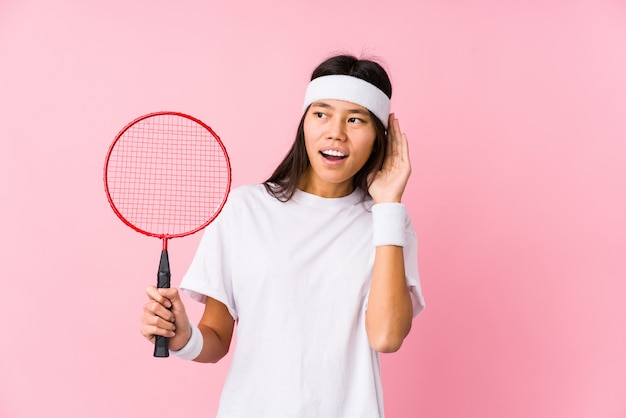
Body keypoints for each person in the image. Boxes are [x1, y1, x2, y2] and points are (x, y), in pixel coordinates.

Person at [140, 54, 425, 417]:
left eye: (355, 119)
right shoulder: (244, 210)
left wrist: (387, 206)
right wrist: (183, 339)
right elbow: (215, 338)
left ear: (379, 138)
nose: (335, 131)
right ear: (304, 123)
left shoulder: (388, 222)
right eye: (321, 114)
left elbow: (386, 338)